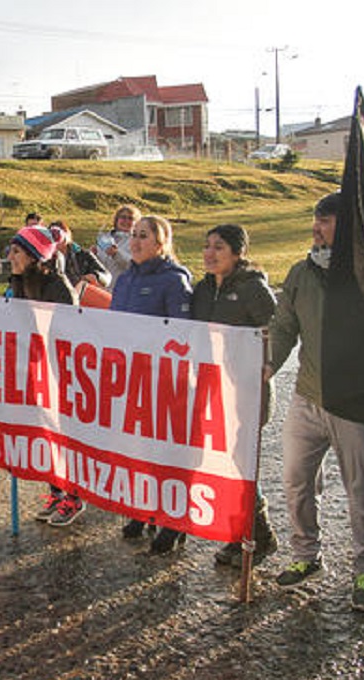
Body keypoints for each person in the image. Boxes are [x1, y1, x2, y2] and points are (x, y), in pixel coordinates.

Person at [268, 192, 364, 612]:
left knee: (363, 492)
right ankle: (306, 555)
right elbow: (284, 327)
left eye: (325, 221)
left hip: (359, 403)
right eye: (316, 220)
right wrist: (267, 364)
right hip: (308, 397)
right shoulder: (301, 272)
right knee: (296, 481)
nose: (316, 228)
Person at [190, 224, 279, 569]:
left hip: (246, 389)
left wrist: (267, 363)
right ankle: (239, 533)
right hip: (213, 389)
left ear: (238, 253)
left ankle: (260, 535)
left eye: (219, 247)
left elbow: (278, 329)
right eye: (207, 246)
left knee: (242, 465)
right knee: (224, 465)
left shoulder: (252, 288)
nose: (209, 253)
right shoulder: (202, 289)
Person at [110, 214, 193, 553]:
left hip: (163, 380)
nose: (135, 241)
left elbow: (183, 333)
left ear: (161, 244)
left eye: (144, 235)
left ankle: (174, 521)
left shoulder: (174, 280)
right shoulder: (125, 279)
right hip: (131, 378)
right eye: (134, 234)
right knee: (138, 449)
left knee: (166, 453)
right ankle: (143, 509)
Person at [6, 225, 83, 525]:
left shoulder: (57, 287)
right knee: (46, 432)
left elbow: (69, 330)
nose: (10, 257)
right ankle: (56, 491)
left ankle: (74, 496)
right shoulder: (19, 282)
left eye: (16, 252)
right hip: (37, 367)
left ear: (34, 256)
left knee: (65, 434)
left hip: (60, 370)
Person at [49, 219, 110, 289]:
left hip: (82, 292)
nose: (59, 238)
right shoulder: (45, 259)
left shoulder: (83, 254)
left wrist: (96, 276)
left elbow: (107, 276)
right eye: (54, 235)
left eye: (62, 233)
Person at [93, 204, 140, 287]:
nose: (126, 221)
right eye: (123, 217)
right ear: (116, 220)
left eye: (130, 218)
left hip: (122, 289)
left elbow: (135, 266)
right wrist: (93, 255)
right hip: (100, 288)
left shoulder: (137, 242)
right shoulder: (104, 238)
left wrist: (116, 254)